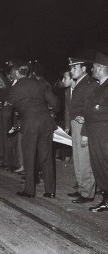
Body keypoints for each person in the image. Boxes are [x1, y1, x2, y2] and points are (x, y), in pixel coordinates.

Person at [7, 62, 60, 198]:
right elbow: (55, 104)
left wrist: (9, 127)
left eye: (13, 73)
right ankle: (50, 191)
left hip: (30, 124)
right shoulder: (40, 83)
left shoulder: (16, 87)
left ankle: (29, 191)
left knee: (29, 157)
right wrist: (50, 112)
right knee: (47, 157)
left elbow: (8, 109)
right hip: (46, 123)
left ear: (17, 73)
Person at [66, 58, 98, 203]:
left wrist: (85, 132)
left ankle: (88, 193)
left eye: (75, 67)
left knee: (85, 159)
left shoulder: (89, 84)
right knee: (78, 158)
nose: (72, 70)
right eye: (71, 68)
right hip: (76, 123)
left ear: (84, 69)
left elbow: (88, 111)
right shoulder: (79, 84)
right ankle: (81, 187)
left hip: (83, 125)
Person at [82, 52, 108, 212]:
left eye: (94, 67)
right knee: (99, 166)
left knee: (104, 165)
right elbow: (89, 111)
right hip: (95, 133)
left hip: (104, 134)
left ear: (102, 68)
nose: (92, 69)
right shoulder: (99, 87)